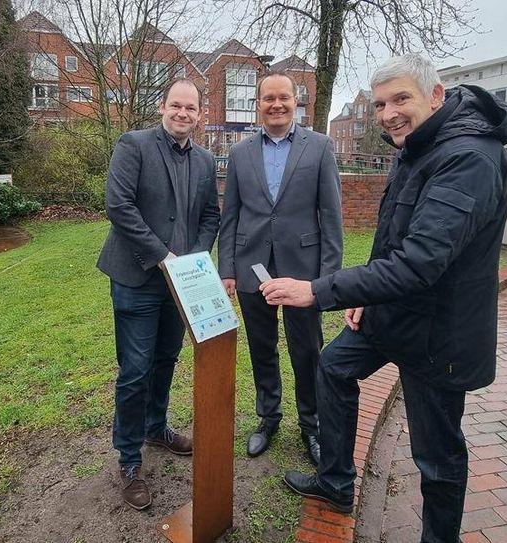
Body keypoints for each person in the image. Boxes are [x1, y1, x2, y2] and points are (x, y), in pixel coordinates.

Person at [260, 53, 507, 541]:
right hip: (394, 313)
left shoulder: (469, 158)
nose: (388, 113)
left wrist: (316, 290)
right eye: (379, 104)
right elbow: (393, 239)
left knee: (436, 455)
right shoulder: (419, 144)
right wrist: (370, 297)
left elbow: (420, 262)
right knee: (333, 368)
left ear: (435, 95)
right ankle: (335, 483)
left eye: (401, 99)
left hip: (440, 333)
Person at [97, 78, 220, 510]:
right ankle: (129, 460)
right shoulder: (134, 145)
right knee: (134, 369)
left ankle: (155, 426)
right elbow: (119, 205)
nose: (182, 113)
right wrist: (163, 256)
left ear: (200, 114)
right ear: (162, 108)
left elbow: (210, 216)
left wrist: (194, 261)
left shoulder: (205, 160)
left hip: (181, 283)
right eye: (176, 106)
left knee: (167, 358)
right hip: (136, 277)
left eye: (191, 108)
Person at [218, 71, 343, 467]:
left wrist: (326, 281)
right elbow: (231, 216)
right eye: (268, 98)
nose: (276, 104)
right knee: (262, 348)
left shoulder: (319, 148)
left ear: (295, 101)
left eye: (283, 98)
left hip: (304, 272)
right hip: (252, 268)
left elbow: (331, 218)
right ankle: (268, 416)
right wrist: (227, 269)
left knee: (307, 351)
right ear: (258, 103)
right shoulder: (240, 154)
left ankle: (312, 423)